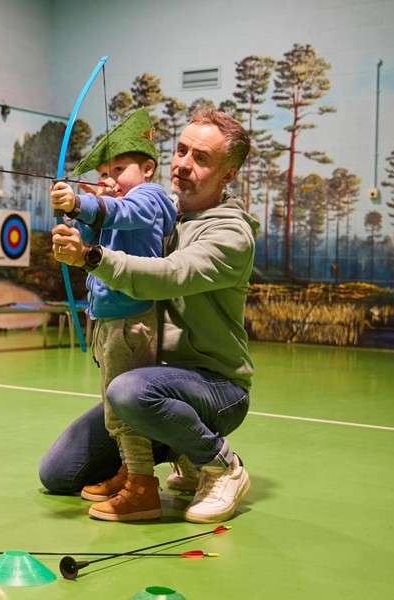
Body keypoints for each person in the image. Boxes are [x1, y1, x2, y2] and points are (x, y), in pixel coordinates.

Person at [43, 107, 258, 523]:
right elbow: (125, 218)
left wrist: (90, 255)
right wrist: (82, 222)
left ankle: (221, 464)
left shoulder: (231, 233)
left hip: (214, 388)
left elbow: (166, 276)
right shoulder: (162, 210)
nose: (183, 165)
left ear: (227, 174)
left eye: (201, 158)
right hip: (153, 379)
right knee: (58, 473)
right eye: (181, 150)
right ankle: (178, 454)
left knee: (128, 393)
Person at [48, 108, 176, 521]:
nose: (110, 179)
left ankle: (142, 487)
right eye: (105, 172)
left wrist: (84, 201)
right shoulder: (111, 205)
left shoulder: (150, 197)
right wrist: (72, 227)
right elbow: (91, 236)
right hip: (108, 321)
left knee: (124, 411)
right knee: (113, 408)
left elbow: (123, 213)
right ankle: (129, 472)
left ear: (148, 168)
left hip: (131, 322)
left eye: (120, 169)